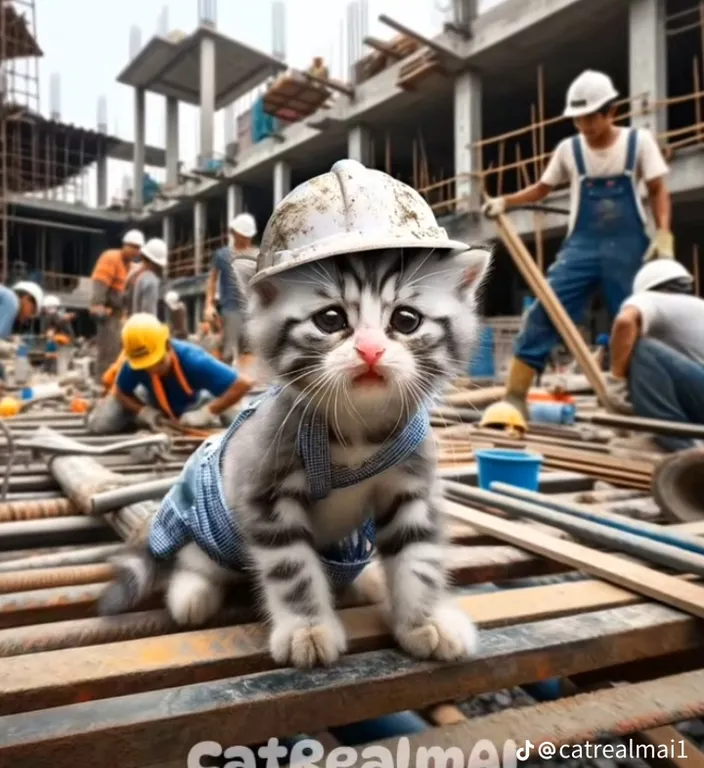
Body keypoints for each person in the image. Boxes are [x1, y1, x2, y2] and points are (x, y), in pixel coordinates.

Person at [481, 69, 673, 429]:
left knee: (635, 323)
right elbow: (541, 188)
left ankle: (645, 402)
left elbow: (659, 188)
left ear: (610, 112)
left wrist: (664, 235)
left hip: (629, 249)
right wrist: (506, 201)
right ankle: (515, 398)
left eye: (590, 117)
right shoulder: (569, 150)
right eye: (578, 118)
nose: (583, 125)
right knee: (545, 310)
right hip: (581, 247)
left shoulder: (639, 143)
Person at [86, 313, 254, 434]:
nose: (152, 370)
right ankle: (140, 422)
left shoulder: (193, 359)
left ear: (167, 346)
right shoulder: (134, 363)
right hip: (152, 401)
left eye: (156, 363)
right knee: (100, 425)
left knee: (243, 424)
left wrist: (207, 412)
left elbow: (244, 384)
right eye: (146, 366)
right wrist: (144, 412)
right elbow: (121, 392)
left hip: (195, 402)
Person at [606, 260, 704, 453]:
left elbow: (625, 322)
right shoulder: (698, 305)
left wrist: (616, 378)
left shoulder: (649, 298)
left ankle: (682, 444)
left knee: (641, 348)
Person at [90, 229, 144, 380]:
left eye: (138, 248)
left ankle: (114, 382)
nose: (136, 251)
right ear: (125, 245)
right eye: (133, 247)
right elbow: (100, 283)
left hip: (118, 313)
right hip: (107, 312)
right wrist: (98, 306)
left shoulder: (130, 266)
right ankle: (102, 382)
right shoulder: (111, 257)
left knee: (119, 351)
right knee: (108, 351)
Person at [204, 213, 258, 365]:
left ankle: (244, 384)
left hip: (252, 309)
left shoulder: (257, 255)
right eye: (243, 235)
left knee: (249, 351)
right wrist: (209, 304)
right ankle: (225, 382)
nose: (246, 239)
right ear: (234, 233)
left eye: (248, 236)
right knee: (227, 352)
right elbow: (212, 280)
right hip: (230, 309)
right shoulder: (222, 255)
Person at [124, 238, 167, 317]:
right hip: (143, 327)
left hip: (131, 324)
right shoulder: (150, 280)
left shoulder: (133, 274)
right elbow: (148, 314)